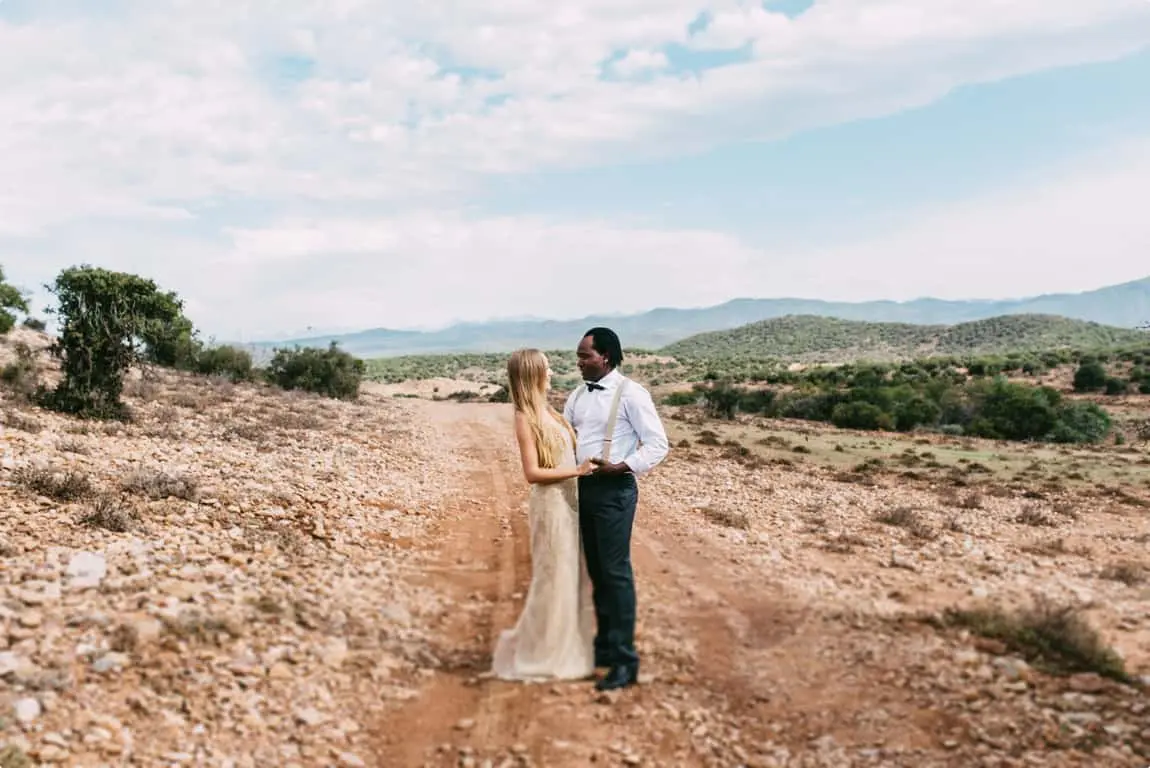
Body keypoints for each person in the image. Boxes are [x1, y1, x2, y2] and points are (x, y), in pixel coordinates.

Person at [563, 327, 669, 691]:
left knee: (615, 573)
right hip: (583, 488)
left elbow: (658, 445)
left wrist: (621, 466)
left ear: (605, 355)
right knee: (596, 571)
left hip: (614, 489)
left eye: (584, 356)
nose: (578, 363)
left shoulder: (632, 394)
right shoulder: (577, 395)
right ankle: (605, 649)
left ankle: (626, 661)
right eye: (578, 356)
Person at [491, 349, 597, 682]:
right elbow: (532, 473)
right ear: (533, 374)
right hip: (551, 507)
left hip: (569, 503)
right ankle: (541, 654)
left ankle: (562, 648)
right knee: (552, 580)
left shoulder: (549, 411)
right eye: (547, 369)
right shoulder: (524, 416)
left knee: (569, 579)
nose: (551, 373)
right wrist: (576, 472)